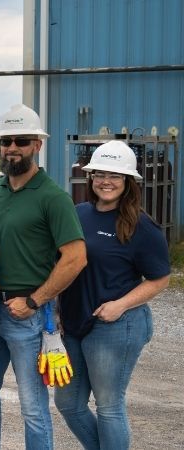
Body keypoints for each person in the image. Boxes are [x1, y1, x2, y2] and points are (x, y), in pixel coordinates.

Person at [0, 104, 86, 450]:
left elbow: (75, 258)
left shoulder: (53, 198)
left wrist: (35, 301)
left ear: (37, 145)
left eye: (21, 141)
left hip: (27, 314)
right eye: (6, 141)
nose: (12, 148)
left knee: (32, 406)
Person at [55, 141, 169, 450]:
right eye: (100, 174)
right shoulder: (78, 213)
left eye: (115, 176)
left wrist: (120, 305)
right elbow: (64, 263)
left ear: (128, 182)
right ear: (90, 178)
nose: (106, 181)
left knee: (108, 405)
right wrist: (55, 308)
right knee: (68, 402)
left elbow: (160, 279)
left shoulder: (142, 226)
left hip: (116, 325)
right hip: (74, 323)